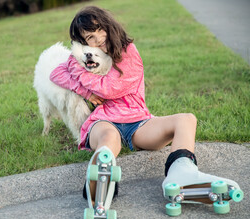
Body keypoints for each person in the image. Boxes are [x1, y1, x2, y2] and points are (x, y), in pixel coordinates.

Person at [49, 6, 241, 201]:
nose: (97, 38)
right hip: (104, 120)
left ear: (108, 26)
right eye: (90, 37)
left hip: (137, 122)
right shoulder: (82, 58)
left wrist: (82, 78)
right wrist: (85, 92)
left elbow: (109, 89)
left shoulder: (128, 52)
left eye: (99, 30)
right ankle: (101, 180)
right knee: (108, 138)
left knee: (186, 119)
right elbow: (55, 73)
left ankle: (181, 172)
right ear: (83, 43)